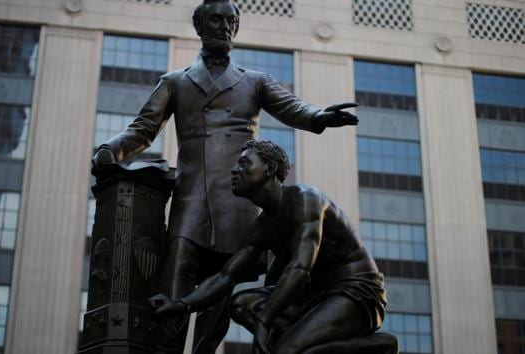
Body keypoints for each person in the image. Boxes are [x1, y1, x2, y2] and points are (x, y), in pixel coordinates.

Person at [92, 1, 358, 352]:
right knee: (177, 273)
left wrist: (319, 117)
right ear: (200, 26)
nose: (224, 28)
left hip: (237, 200)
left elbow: (292, 107)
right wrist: (110, 150)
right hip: (192, 199)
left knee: (220, 291)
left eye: (231, 21)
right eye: (216, 20)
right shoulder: (175, 82)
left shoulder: (255, 81)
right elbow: (143, 128)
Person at [150, 141, 397, 354]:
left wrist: (265, 321)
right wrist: (182, 304)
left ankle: (372, 346)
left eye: (244, 163)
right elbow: (225, 277)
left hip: (355, 292)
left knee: (285, 350)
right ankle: (323, 345)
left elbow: (300, 267)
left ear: (269, 169)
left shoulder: (305, 199)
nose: (235, 170)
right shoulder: (263, 225)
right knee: (241, 304)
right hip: (315, 298)